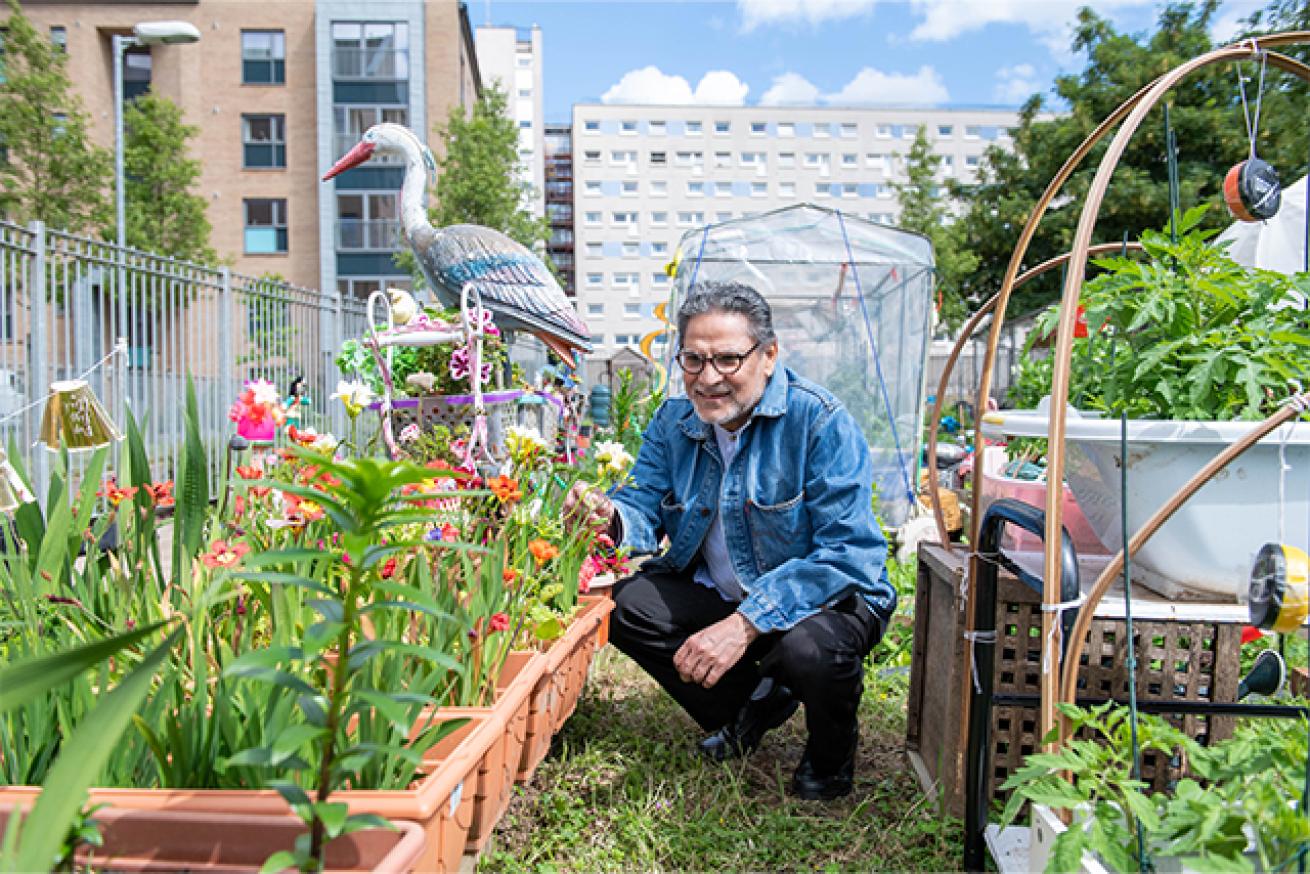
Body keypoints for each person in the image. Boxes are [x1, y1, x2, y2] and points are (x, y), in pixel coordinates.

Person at [566, 280, 894, 800]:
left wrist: (746, 624)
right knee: (626, 605)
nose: (707, 378)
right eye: (692, 360)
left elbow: (848, 553)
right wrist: (608, 516)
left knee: (809, 649)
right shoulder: (674, 422)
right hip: (727, 594)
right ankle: (749, 706)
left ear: (768, 356)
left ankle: (829, 757)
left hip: (824, 601)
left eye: (727, 360)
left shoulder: (819, 421)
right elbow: (643, 504)